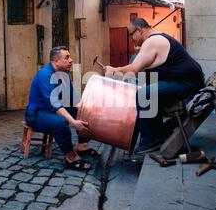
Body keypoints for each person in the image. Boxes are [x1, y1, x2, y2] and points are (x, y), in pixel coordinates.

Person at [105, 18, 205, 154]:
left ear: (139, 30)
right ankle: (156, 133)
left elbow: (134, 69)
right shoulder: (154, 40)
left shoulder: (152, 42)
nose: (131, 39)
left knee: (144, 94)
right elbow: (139, 66)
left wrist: (114, 70)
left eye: (131, 34)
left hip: (189, 84)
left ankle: (150, 140)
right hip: (182, 80)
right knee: (147, 89)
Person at [25, 46, 101, 171]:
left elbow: (74, 100)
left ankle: (82, 145)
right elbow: (54, 104)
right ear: (55, 61)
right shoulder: (44, 75)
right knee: (61, 122)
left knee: (82, 111)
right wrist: (73, 122)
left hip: (51, 111)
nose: (71, 60)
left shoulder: (64, 75)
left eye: (70, 57)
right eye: (67, 58)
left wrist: (86, 110)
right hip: (37, 114)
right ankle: (70, 157)